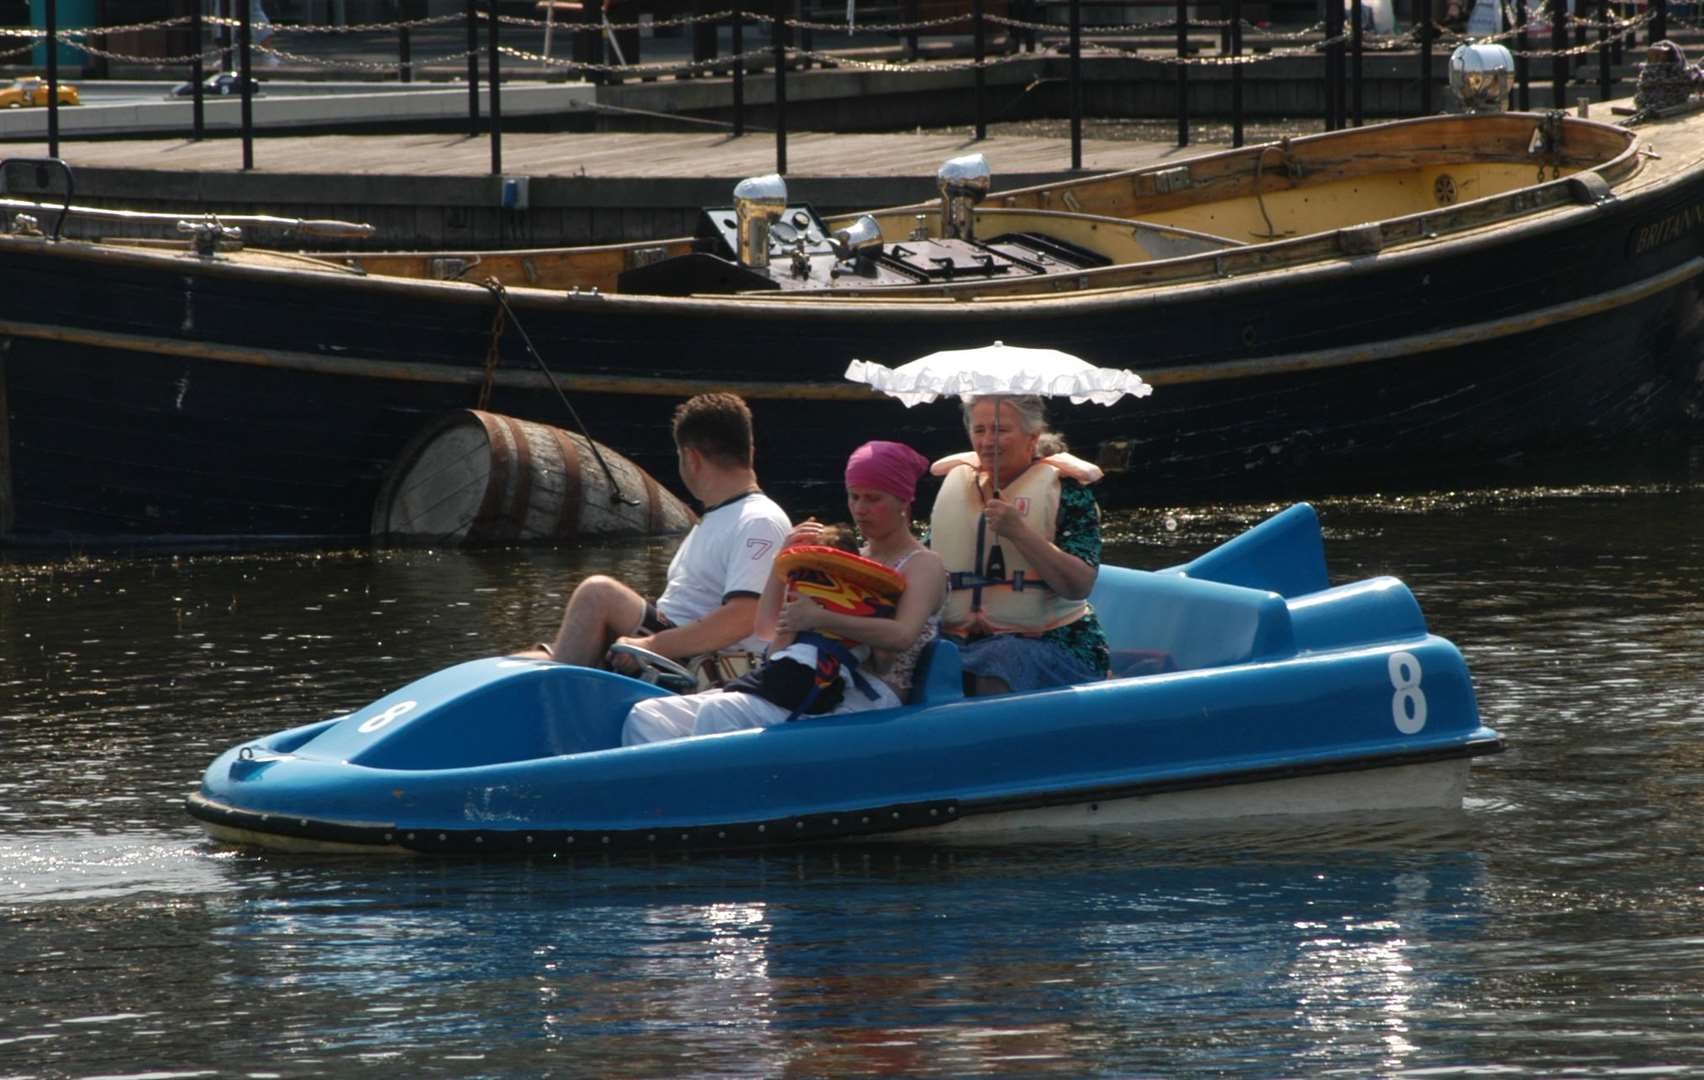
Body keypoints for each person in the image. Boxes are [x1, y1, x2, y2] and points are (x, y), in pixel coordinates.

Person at [622, 440, 946, 745]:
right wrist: (783, 564)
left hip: (870, 695)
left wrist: (820, 617)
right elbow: (766, 629)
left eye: (873, 499)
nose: (859, 509)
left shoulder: (923, 564)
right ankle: (665, 801)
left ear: (904, 500)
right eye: (853, 496)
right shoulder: (851, 558)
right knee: (648, 715)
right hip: (806, 679)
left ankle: (718, 800)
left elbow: (902, 635)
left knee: (718, 713)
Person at [522, 393, 790, 686]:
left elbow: (745, 616)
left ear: (691, 457)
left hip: (701, 669)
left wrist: (650, 646)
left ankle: (558, 710)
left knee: (597, 594)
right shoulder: (719, 519)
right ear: (750, 449)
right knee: (522, 662)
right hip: (673, 648)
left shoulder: (758, 520)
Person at [927, 394, 1110, 695]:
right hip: (961, 640)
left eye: (1000, 430)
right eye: (980, 430)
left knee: (1000, 661)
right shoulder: (961, 485)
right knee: (915, 653)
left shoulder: (1069, 491)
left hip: (1051, 642)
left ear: (1032, 437)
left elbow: (1079, 584)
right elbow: (921, 559)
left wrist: (1019, 532)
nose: (987, 441)